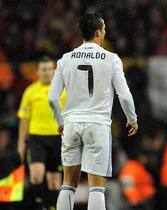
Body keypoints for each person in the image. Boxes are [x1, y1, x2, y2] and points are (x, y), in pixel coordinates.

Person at [48, 12, 138, 210]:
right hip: (97, 125)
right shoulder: (111, 59)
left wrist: (60, 121)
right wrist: (132, 119)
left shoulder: (65, 59)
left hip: (71, 124)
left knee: (68, 183)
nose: (105, 32)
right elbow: (124, 95)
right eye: (104, 29)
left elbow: (53, 97)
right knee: (96, 187)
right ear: (98, 33)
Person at [17, 56, 65, 210]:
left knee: (54, 180)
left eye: (50, 69)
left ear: (54, 71)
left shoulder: (63, 91)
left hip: (58, 139)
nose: (47, 73)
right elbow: (24, 119)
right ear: (38, 71)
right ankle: (40, 205)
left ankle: (51, 207)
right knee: (36, 175)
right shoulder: (30, 91)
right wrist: (21, 143)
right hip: (36, 138)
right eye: (43, 69)